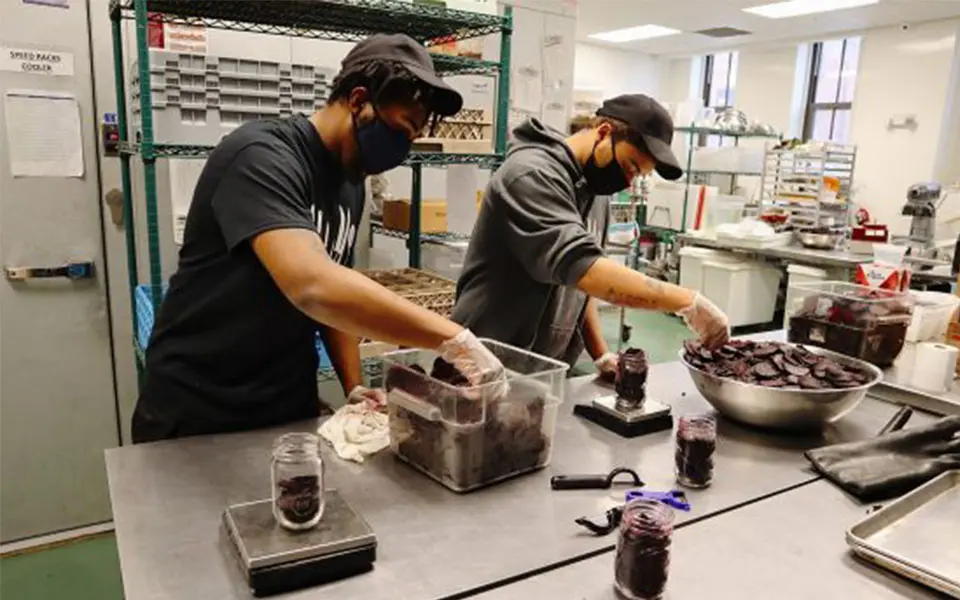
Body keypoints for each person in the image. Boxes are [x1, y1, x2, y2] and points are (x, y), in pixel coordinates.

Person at [132, 34, 503, 443]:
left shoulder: (351, 183)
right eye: (401, 130)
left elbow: (335, 295)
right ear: (359, 101)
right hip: (198, 412)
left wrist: (353, 388)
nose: (404, 148)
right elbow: (313, 285)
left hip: (283, 405)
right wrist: (454, 339)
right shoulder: (260, 156)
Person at [452, 94, 730, 378]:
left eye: (638, 176)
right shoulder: (530, 175)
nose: (628, 180)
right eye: (630, 166)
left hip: (543, 369)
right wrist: (687, 301)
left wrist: (601, 354)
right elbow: (582, 268)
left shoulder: (597, 194)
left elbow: (581, 286)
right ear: (604, 132)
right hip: (485, 361)